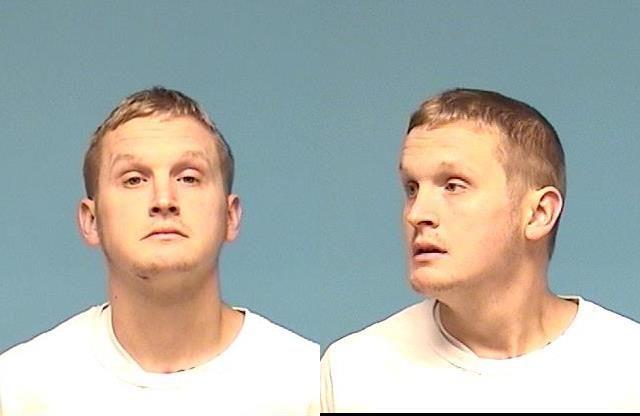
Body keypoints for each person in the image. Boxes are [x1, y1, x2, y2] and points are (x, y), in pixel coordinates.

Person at [0, 87, 319, 415]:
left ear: (230, 216)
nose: (164, 200)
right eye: (134, 180)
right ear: (91, 220)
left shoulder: (308, 386)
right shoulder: (20, 390)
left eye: (189, 178)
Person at [320, 88, 640, 412]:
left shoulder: (629, 370)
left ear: (538, 214)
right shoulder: (353, 373)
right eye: (412, 188)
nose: (416, 214)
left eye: (453, 185)